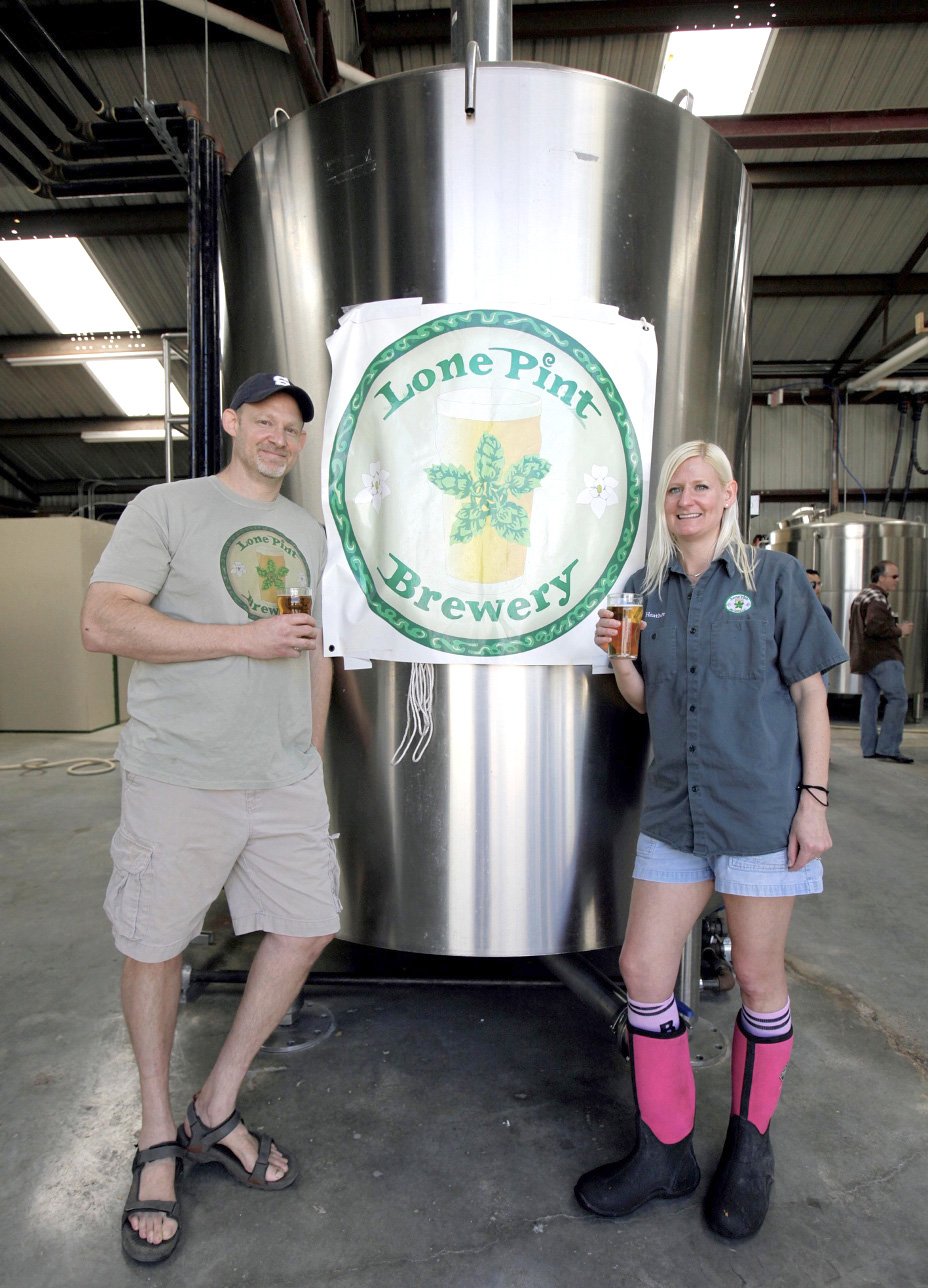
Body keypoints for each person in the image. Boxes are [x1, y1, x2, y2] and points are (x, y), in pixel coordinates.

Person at [81, 373, 339, 1263]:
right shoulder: (168, 506)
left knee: (307, 928)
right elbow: (102, 622)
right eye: (262, 421)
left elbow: (314, 646)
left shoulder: (308, 529)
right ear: (229, 423)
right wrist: (239, 638)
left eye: (291, 428)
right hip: (180, 774)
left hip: (281, 779)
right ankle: (157, 1134)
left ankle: (214, 1104)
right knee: (154, 944)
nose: (277, 437)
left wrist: (306, 751)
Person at [575, 440, 847, 1239]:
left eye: (700, 486)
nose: (686, 500)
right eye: (674, 490)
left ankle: (750, 1150)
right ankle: (665, 1150)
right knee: (641, 967)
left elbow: (809, 697)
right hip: (675, 811)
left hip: (760, 811)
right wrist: (619, 658)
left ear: (729, 495)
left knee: (758, 976)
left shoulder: (776, 579)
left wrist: (815, 801)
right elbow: (643, 696)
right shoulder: (644, 591)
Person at [849, 561, 914, 764]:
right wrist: (899, 630)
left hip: (865, 658)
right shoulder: (877, 598)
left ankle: (869, 748)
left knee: (870, 702)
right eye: (894, 576)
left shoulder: (862, 596)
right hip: (883, 658)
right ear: (881, 577)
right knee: (898, 699)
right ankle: (888, 748)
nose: (897, 580)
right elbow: (875, 627)